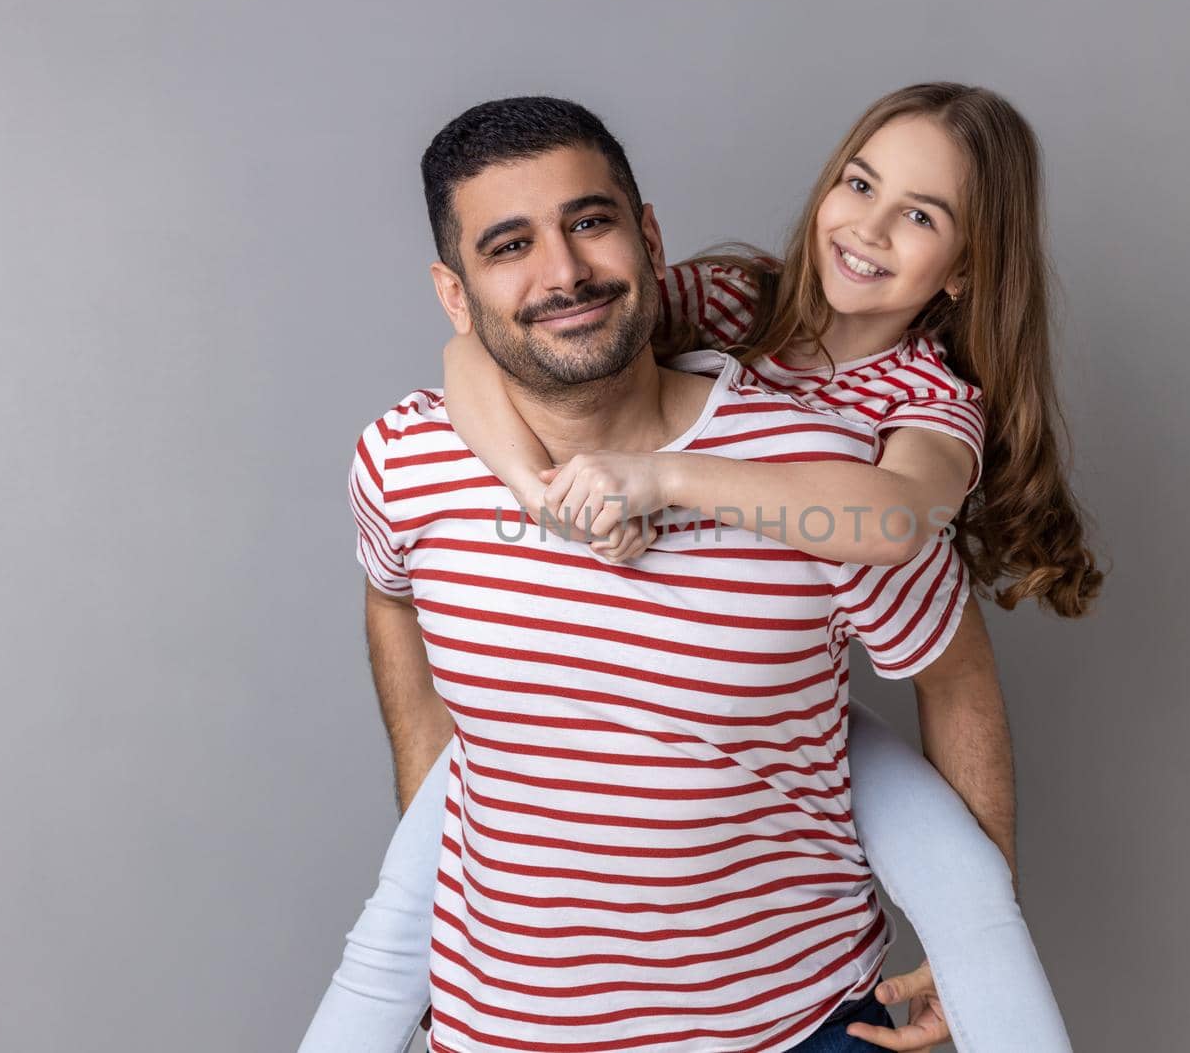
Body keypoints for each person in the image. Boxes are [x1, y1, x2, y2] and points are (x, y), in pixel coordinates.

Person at [301, 88, 1097, 1052]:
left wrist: (669, 478)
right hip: (504, 1017)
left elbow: (901, 545)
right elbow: (476, 355)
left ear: (643, 234)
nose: (562, 269)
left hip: (794, 992)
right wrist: (539, 489)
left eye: (921, 216)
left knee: (952, 888)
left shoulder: (905, 417)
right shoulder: (738, 299)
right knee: (393, 933)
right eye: (860, 185)